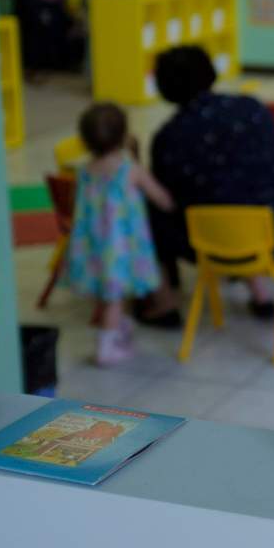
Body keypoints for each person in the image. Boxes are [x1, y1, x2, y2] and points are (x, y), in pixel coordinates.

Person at [148, 45, 274, 320]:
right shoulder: (251, 108)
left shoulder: (169, 138)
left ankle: (163, 302)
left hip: (208, 243)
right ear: (210, 73)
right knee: (247, 194)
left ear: (164, 87)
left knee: (149, 208)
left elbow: (168, 200)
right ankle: (260, 292)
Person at [65, 103, 174, 366]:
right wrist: (171, 204)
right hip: (121, 248)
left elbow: (74, 204)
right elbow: (160, 198)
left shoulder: (85, 171)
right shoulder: (129, 168)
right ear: (124, 135)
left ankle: (118, 328)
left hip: (92, 245)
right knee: (114, 298)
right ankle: (106, 347)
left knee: (108, 294)